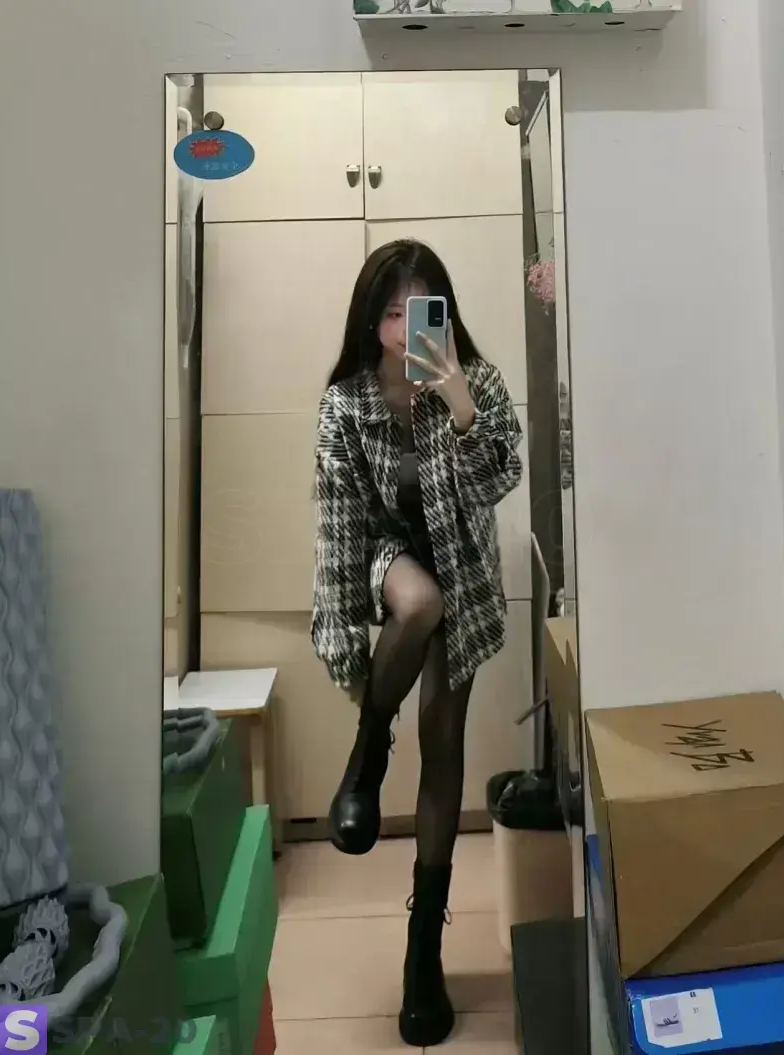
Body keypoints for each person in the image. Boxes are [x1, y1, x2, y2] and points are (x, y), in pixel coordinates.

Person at [310, 240, 523, 1048]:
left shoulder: (475, 380)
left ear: (444, 312)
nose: (406, 327)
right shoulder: (345, 404)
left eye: (420, 308)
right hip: (390, 558)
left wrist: (461, 402)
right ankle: (369, 747)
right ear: (371, 321)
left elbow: (499, 478)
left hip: (461, 567)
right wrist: (341, 639)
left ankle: (423, 949)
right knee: (416, 600)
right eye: (392, 311)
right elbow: (339, 527)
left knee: (443, 741)